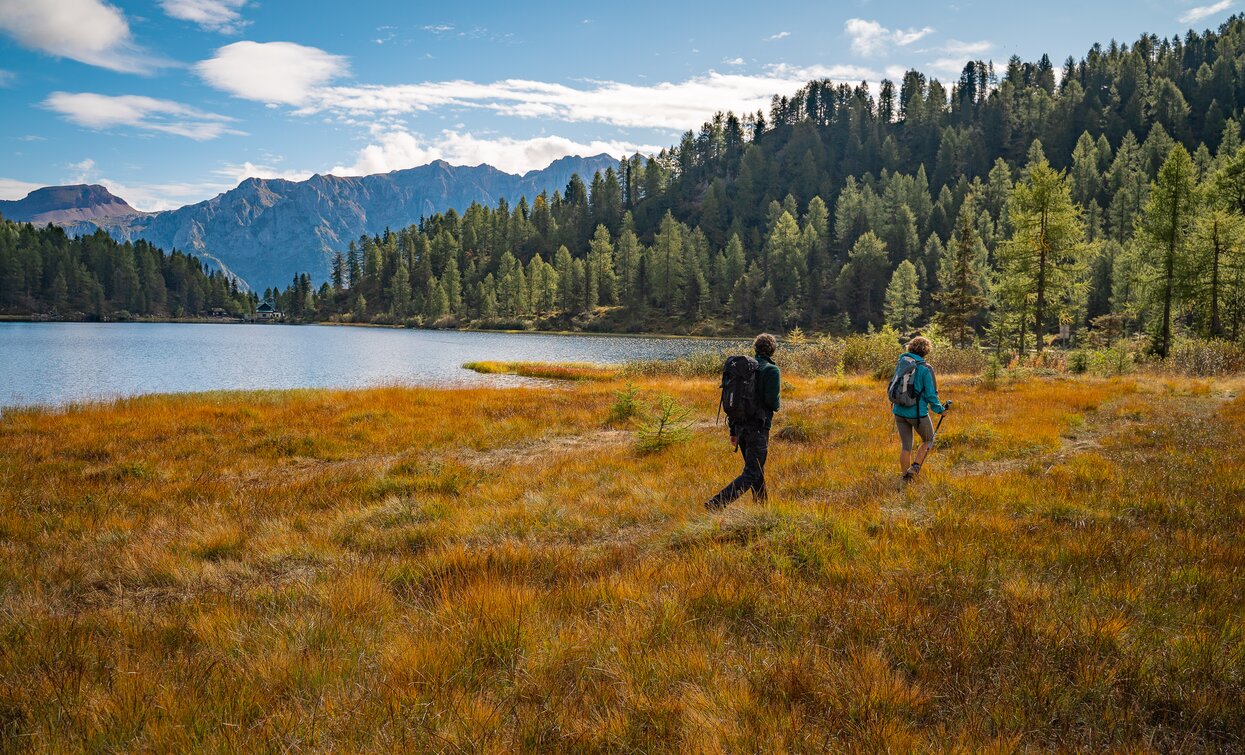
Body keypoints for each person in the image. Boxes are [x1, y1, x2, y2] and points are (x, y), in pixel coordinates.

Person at [706, 333, 781, 510]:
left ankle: (761, 510)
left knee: (757, 471)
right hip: (758, 428)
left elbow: (737, 402)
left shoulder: (745, 369)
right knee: (752, 472)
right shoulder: (770, 370)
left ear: (755, 348)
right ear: (772, 350)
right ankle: (717, 503)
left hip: (740, 427)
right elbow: (773, 403)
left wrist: (733, 431)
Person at [891, 336, 951, 482]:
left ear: (911, 348)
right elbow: (931, 395)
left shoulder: (902, 363)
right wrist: (940, 410)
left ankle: (905, 478)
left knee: (906, 447)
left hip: (898, 411)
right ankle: (916, 467)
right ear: (926, 351)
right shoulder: (926, 368)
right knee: (928, 439)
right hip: (917, 414)